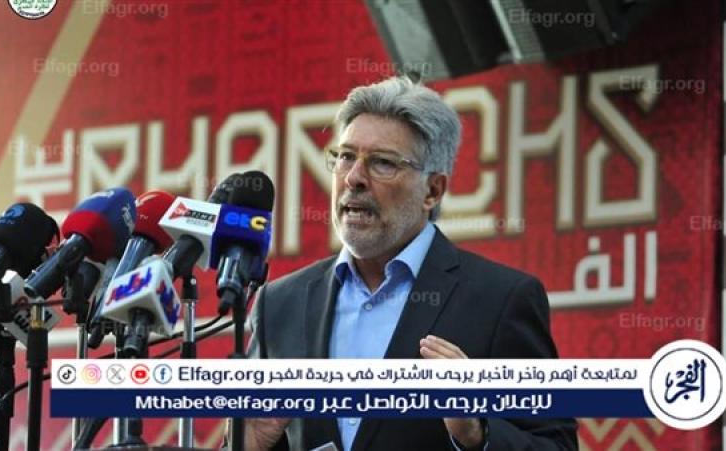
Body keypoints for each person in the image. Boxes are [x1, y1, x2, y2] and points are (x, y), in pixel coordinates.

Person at [239, 76, 578, 450]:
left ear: (432, 190)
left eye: (383, 163)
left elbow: (555, 445)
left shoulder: (500, 300)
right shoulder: (279, 304)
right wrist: (248, 445)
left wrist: (476, 432)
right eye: (346, 156)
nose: (354, 178)